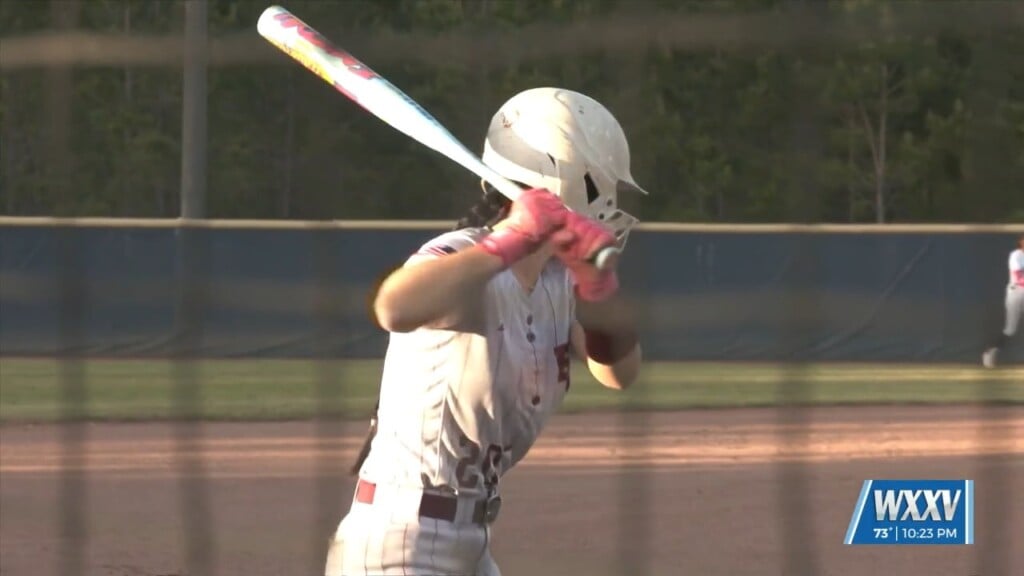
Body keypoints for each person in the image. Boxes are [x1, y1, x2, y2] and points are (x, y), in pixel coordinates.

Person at [324, 87, 647, 576]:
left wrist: (599, 291)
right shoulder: (465, 256)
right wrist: (510, 241)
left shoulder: (560, 280)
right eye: (608, 184)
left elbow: (619, 374)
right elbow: (392, 307)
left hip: (471, 541)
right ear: (573, 180)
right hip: (399, 541)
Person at [982, 234, 1024, 368]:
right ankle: (990, 351)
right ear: (1020, 242)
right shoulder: (1016, 255)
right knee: (1010, 329)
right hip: (1016, 292)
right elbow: (1018, 277)